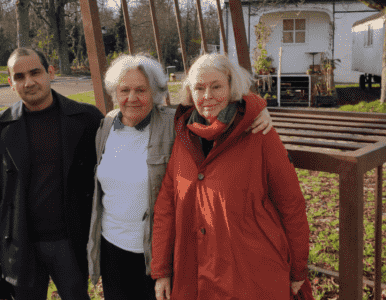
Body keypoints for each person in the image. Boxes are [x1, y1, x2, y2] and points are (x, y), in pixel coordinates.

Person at [86, 53, 274, 300]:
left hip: (156, 251)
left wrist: (258, 109)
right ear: (115, 93)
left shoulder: (174, 123)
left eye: (141, 90)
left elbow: (213, 105)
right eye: (124, 90)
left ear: (155, 92)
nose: (131, 98)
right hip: (112, 247)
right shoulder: (107, 126)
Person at [150, 53, 313, 300]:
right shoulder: (184, 137)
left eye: (216, 86)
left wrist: (298, 268)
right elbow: (166, 206)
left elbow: (291, 204)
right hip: (194, 275)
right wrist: (161, 269)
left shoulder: (259, 133)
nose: (207, 96)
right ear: (189, 93)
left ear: (231, 87)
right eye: (199, 88)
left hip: (251, 276)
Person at [0, 48, 103, 300]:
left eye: (35, 72)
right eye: (19, 76)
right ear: (11, 83)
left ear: (50, 72)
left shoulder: (86, 118)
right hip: (20, 242)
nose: (29, 82)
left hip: (71, 241)